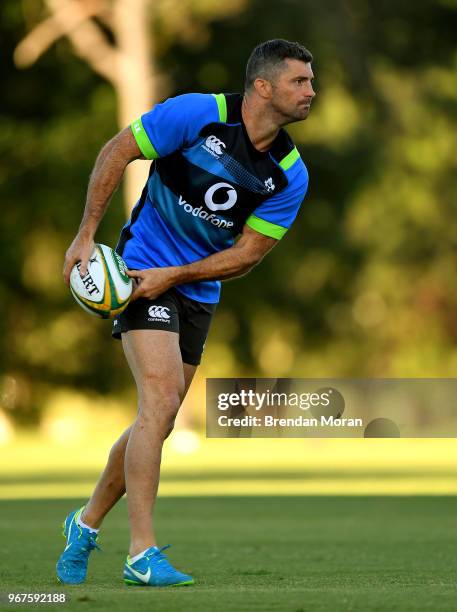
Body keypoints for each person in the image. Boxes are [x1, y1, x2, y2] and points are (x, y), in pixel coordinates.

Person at [57, 38, 315, 587]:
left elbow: (246, 256)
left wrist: (176, 277)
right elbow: (117, 151)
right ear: (263, 87)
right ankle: (140, 554)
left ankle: (84, 524)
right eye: (300, 82)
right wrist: (84, 237)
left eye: (311, 82)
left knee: (162, 416)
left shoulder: (289, 174)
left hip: (194, 288)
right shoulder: (197, 115)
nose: (311, 92)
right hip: (138, 266)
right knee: (161, 397)